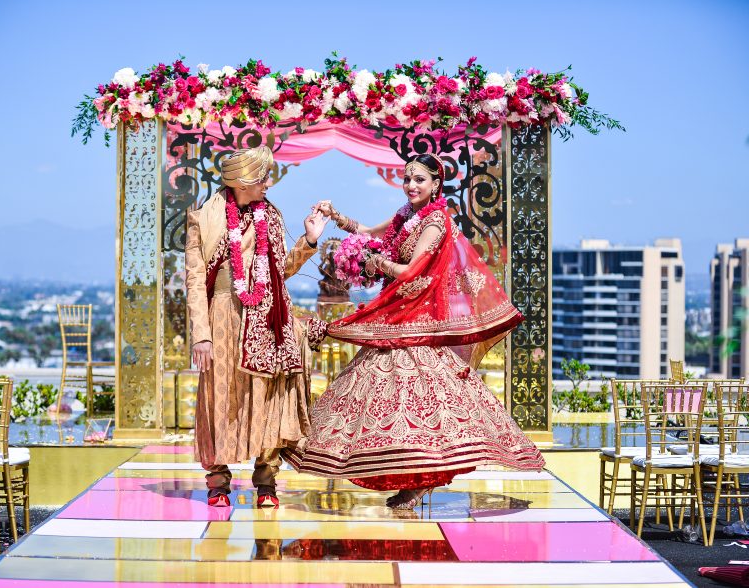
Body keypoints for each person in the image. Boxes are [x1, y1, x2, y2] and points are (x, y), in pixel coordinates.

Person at [286, 153, 545, 509]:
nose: (411, 185)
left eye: (419, 180)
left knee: (422, 402)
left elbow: (409, 273)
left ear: (436, 185)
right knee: (387, 398)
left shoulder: (435, 221)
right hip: (398, 314)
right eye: (407, 178)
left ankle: (424, 477)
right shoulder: (407, 215)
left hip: (416, 319)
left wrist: (374, 263)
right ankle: (410, 478)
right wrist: (336, 218)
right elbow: (369, 232)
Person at [185, 145, 328, 508]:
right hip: (222, 318)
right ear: (243, 181)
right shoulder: (204, 218)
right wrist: (200, 334)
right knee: (220, 396)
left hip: (265, 319)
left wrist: (309, 240)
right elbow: (194, 280)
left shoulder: (271, 216)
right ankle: (217, 480)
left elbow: (281, 269)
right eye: (263, 177)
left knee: (266, 396)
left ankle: (266, 480)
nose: (268, 183)